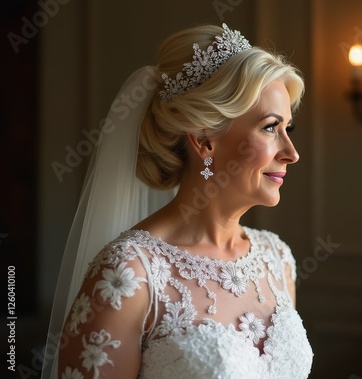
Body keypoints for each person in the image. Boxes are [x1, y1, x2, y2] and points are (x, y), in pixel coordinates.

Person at [43, 23, 313, 378]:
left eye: (287, 129)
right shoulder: (130, 273)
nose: (291, 153)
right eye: (269, 127)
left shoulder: (277, 261)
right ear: (204, 140)